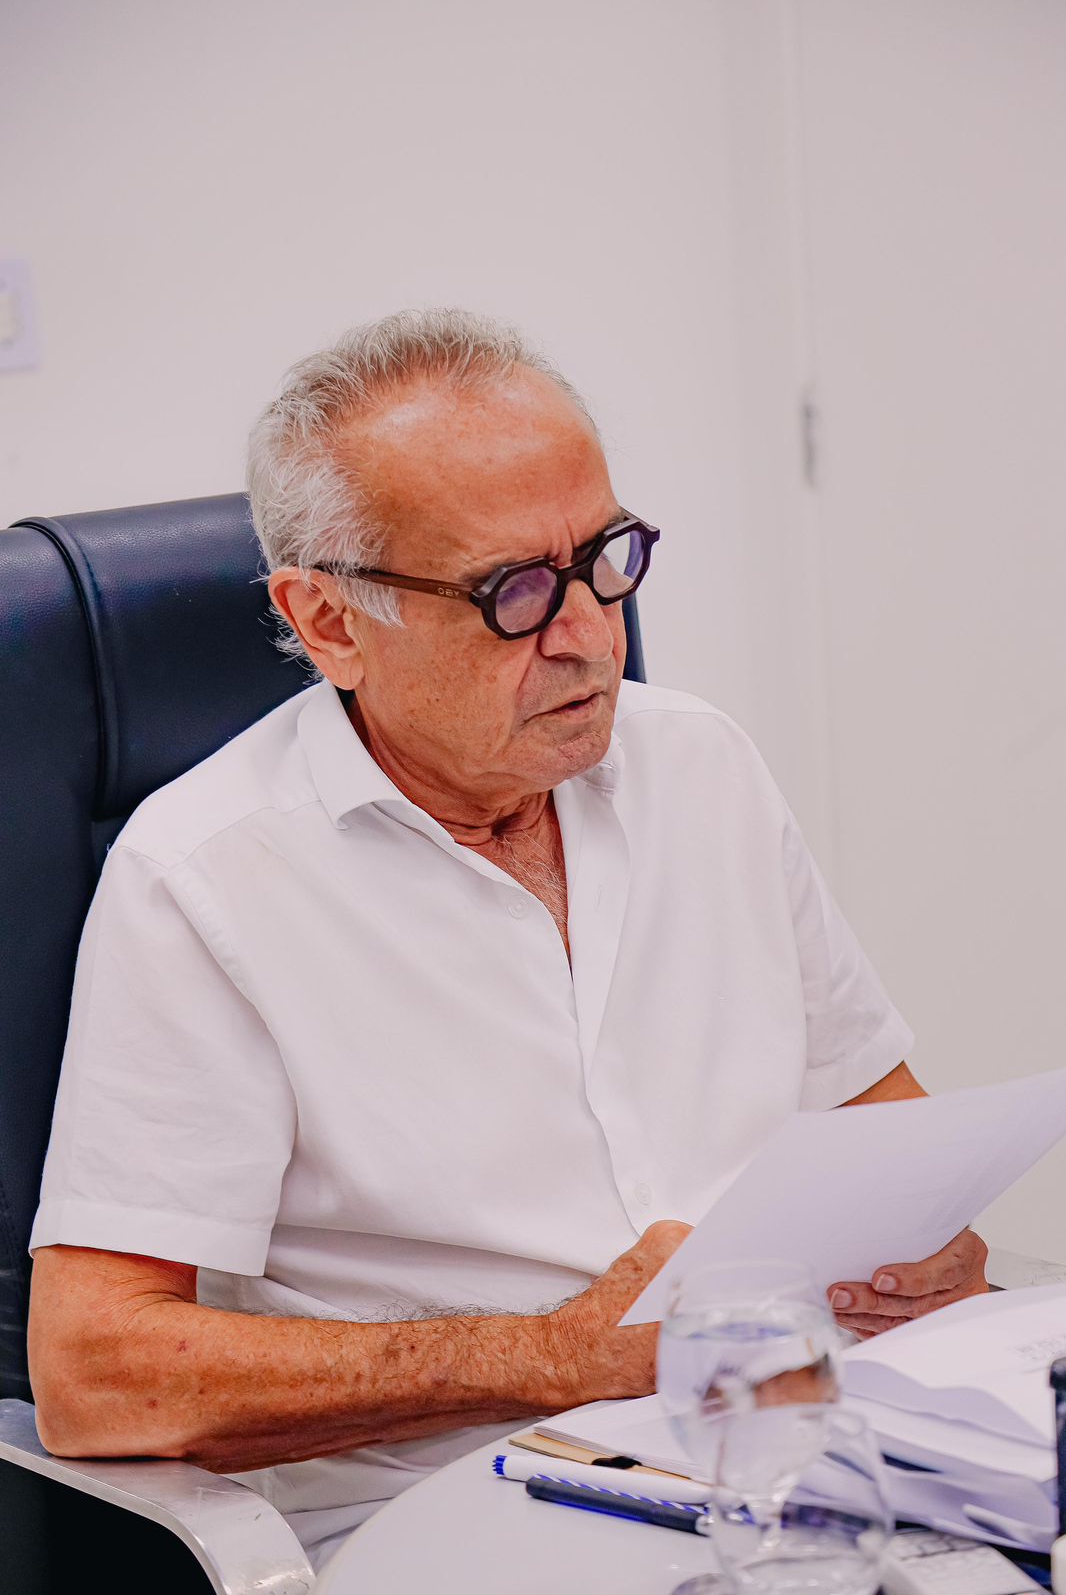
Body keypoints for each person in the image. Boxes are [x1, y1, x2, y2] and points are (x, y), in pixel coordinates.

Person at [27, 309, 987, 1569]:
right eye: (514, 593)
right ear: (329, 623)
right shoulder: (204, 876)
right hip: (461, 1508)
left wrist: (930, 1250)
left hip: (799, 1454)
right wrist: (550, 1355)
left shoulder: (699, 763)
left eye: (605, 559)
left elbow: (885, 1128)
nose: (589, 633)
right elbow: (95, 1374)